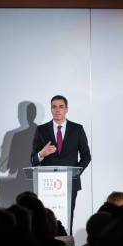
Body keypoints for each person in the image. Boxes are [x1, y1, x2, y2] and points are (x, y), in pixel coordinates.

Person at [30, 95, 91, 233]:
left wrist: (75, 173)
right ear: (51, 110)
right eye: (54, 107)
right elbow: (33, 160)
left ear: (66, 109)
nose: (57, 110)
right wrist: (41, 154)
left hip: (70, 183)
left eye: (61, 107)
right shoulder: (41, 130)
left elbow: (86, 156)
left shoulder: (77, 129)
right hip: (47, 185)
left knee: (67, 220)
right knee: (46, 222)